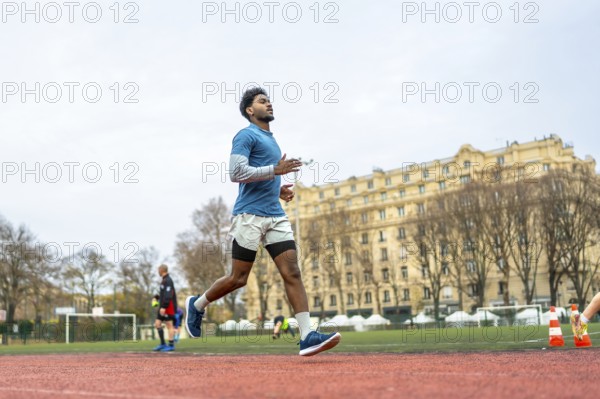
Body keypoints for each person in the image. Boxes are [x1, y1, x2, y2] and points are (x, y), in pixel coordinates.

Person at [185, 87, 341, 356]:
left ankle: (307, 336)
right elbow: (236, 172)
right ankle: (198, 304)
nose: (269, 104)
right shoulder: (245, 135)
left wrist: (278, 188)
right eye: (262, 101)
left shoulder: (272, 140)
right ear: (249, 110)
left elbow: (263, 176)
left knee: (292, 271)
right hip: (250, 215)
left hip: (275, 215)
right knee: (238, 278)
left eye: (269, 100)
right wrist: (275, 170)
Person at [153, 264, 178, 352]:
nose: (158, 271)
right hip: (163, 306)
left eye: (158, 270)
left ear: (161, 270)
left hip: (168, 306)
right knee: (157, 324)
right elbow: (163, 294)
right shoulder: (164, 280)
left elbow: (168, 295)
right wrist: (156, 297)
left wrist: (164, 306)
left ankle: (171, 345)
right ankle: (163, 343)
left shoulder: (168, 280)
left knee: (169, 325)